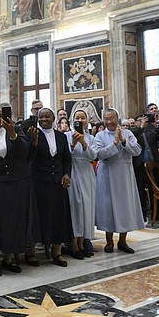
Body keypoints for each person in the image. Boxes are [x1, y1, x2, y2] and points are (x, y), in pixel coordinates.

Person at [0, 105, 40, 275]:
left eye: (0, 115)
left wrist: (12, 133)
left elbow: (25, 153)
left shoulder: (17, 131)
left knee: (15, 220)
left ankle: (9, 258)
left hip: (19, 182)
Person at [28, 108, 73, 266]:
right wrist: (33, 142)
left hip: (57, 182)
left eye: (47, 117)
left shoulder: (61, 137)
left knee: (58, 217)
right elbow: (28, 157)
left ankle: (57, 252)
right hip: (38, 182)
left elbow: (67, 159)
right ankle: (31, 252)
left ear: (54, 119)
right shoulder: (33, 134)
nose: (44, 120)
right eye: (41, 117)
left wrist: (67, 174)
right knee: (37, 217)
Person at [94, 108, 144, 253]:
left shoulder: (128, 134)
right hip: (107, 175)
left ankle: (123, 241)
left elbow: (137, 151)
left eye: (112, 118)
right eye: (106, 118)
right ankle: (109, 242)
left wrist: (123, 141)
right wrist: (114, 143)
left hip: (124, 175)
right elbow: (99, 154)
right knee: (107, 208)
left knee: (125, 208)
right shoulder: (100, 136)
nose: (109, 121)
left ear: (118, 119)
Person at [66, 109, 98, 258]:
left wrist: (83, 142)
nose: (80, 120)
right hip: (73, 171)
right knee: (75, 206)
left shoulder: (91, 138)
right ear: (73, 121)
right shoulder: (66, 136)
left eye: (82, 118)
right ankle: (74, 244)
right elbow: (65, 156)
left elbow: (93, 156)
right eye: (77, 118)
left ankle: (84, 241)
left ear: (87, 120)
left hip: (86, 172)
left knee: (87, 206)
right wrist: (73, 144)